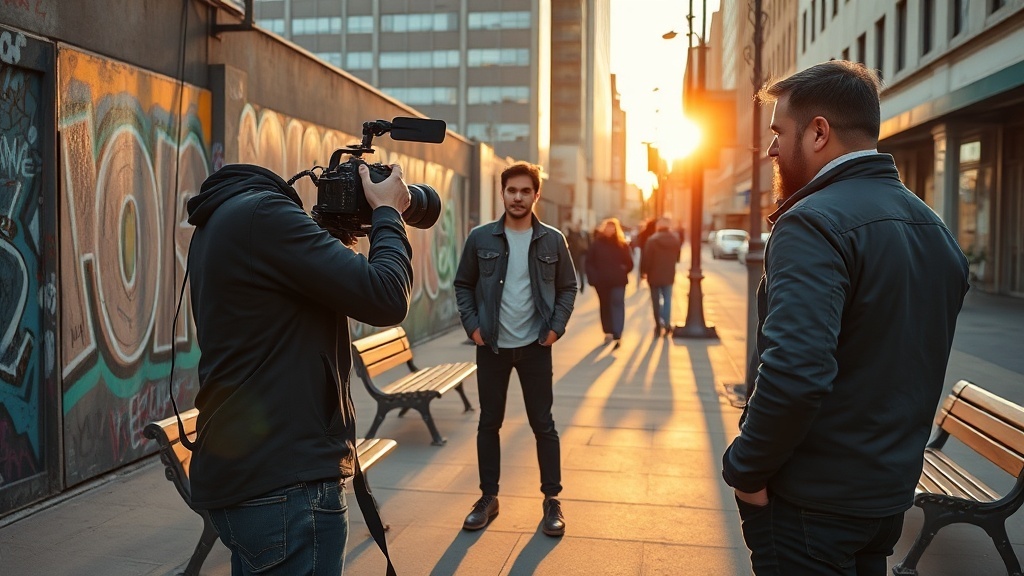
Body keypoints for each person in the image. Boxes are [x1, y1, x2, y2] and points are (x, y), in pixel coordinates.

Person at [721, 60, 970, 575]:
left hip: (812, 503)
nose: (770, 149)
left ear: (818, 133)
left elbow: (796, 371)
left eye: (778, 132)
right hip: (885, 497)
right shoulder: (934, 228)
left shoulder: (811, 223)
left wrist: (745, 469)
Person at [186, 161, 414, 574]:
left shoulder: (224, 218)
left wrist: (332, 237)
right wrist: (388, 213)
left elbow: (284, 307)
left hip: (254, 473)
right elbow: (387, 296)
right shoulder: (265, 215)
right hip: (286, 484)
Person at [454, 161, 577, 537]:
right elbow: (463, 284)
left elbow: (568, 286)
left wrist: (556, 328)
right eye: (512, 190)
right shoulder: (480, 238)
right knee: (489, 423)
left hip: (535, 345)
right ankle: (488, 498)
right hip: (491, 346)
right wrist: (473, 328)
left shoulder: (552, 239)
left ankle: (552, 500)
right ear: (502, 193)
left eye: (525, 191)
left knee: (544, 425)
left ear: (536, 194)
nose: (518, 197)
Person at [585, 217, 634, 349]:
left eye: (613, 228)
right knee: (605, 306)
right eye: (608, 227)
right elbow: (589, 262)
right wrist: (593, 278)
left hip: (618, 281)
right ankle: (608, 332)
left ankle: (617, 333)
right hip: (601, 282)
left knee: (617, 304)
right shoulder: (597, 244)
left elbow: (629, 263)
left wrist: (622, 270)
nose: (610, 230)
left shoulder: (622, 245)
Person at [640, 217, 681, 337]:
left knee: (656, 301)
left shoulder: (652, 240)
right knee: (667, 299)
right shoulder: (675, 239)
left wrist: (644, 271)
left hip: (654, 275)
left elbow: (647, 258)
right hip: (669, 274)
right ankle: (667, 324)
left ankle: (658, 325)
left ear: (658, 226)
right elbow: (677, 257)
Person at [565, 220, 590, 293]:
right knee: (574, 271)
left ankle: (582, 286)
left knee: (581, 271)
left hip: (582, 255)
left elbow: (589, 244)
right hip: (574, 255)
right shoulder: (572, 234)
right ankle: (574, 286)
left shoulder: (584, 234)